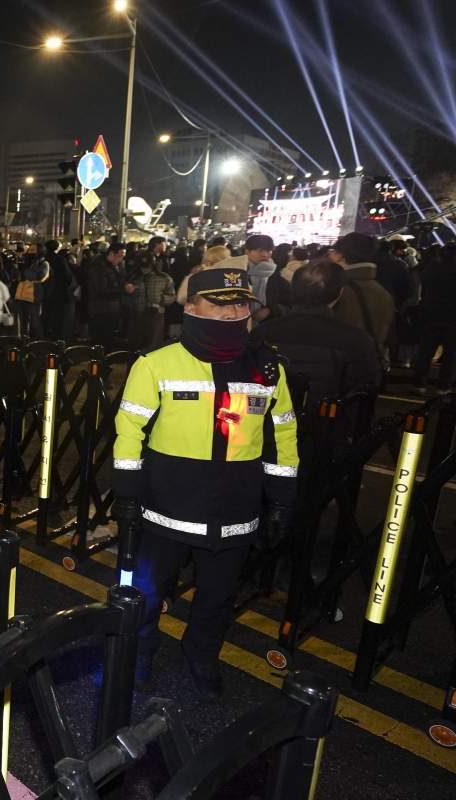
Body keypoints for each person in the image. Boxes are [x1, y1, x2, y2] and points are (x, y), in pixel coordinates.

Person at [113, 269, 298, 699]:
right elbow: (128, 432)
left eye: (241, 304)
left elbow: (282, 435)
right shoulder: (155, 362)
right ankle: (139, 652)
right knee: (146, 590)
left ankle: (201, 654)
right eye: (220, 302)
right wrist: (126, 494)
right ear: (191, 307)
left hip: (234, 509)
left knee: (217, 597)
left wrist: (282, 502)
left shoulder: (266, 368)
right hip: (167, 506)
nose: (234, 312)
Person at [251, 259, 382, 401]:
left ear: (293, 290)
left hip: (271, 417)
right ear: (339, 293)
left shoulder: (261, 332)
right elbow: (365, 390)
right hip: (328, 418)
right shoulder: (355, 339)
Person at [329, 232, 396, 355]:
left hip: (340, 361)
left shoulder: (337, 288)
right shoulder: (381, 291)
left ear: (339, 255)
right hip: (368, 361)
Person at [412, 244, 456, 394]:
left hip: (431, 315)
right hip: (452, 318)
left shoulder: (432, 269)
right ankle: (444, 385)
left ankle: (419, 383)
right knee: (451, 354)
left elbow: (422, 289)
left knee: (425, 351)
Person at [85, 242, 131, 349]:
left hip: (111, 308)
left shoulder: (111, 267)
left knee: (108, 338)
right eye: (121, 256)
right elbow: (101, 291)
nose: (122, 260)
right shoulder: (99, 268)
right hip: (102, 309)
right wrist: (123, 289)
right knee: (102, 339)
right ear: (111, 254)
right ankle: (99, 362)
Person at [126, 252, 176, 351]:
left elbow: (172, 296)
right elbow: (126, 298)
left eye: (147, 267)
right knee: (135, 345)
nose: (144, 269)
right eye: (142, 267)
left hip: (155, 315)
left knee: (152, 346)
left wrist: (159, 300)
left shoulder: (163, 278)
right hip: (137, 315)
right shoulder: (133, 278)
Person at [15, 243, 48, 339]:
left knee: (35, 323)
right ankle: (24, 344)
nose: (30, 252)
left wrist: (25, 272)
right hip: (21, 297)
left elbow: (39, 277)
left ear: (40, 251)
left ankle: (40, 345)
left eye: (33, 250)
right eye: (29, 249)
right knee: (22, 323)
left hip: (33, 298)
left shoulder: (44, 264)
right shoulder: (25, 262)